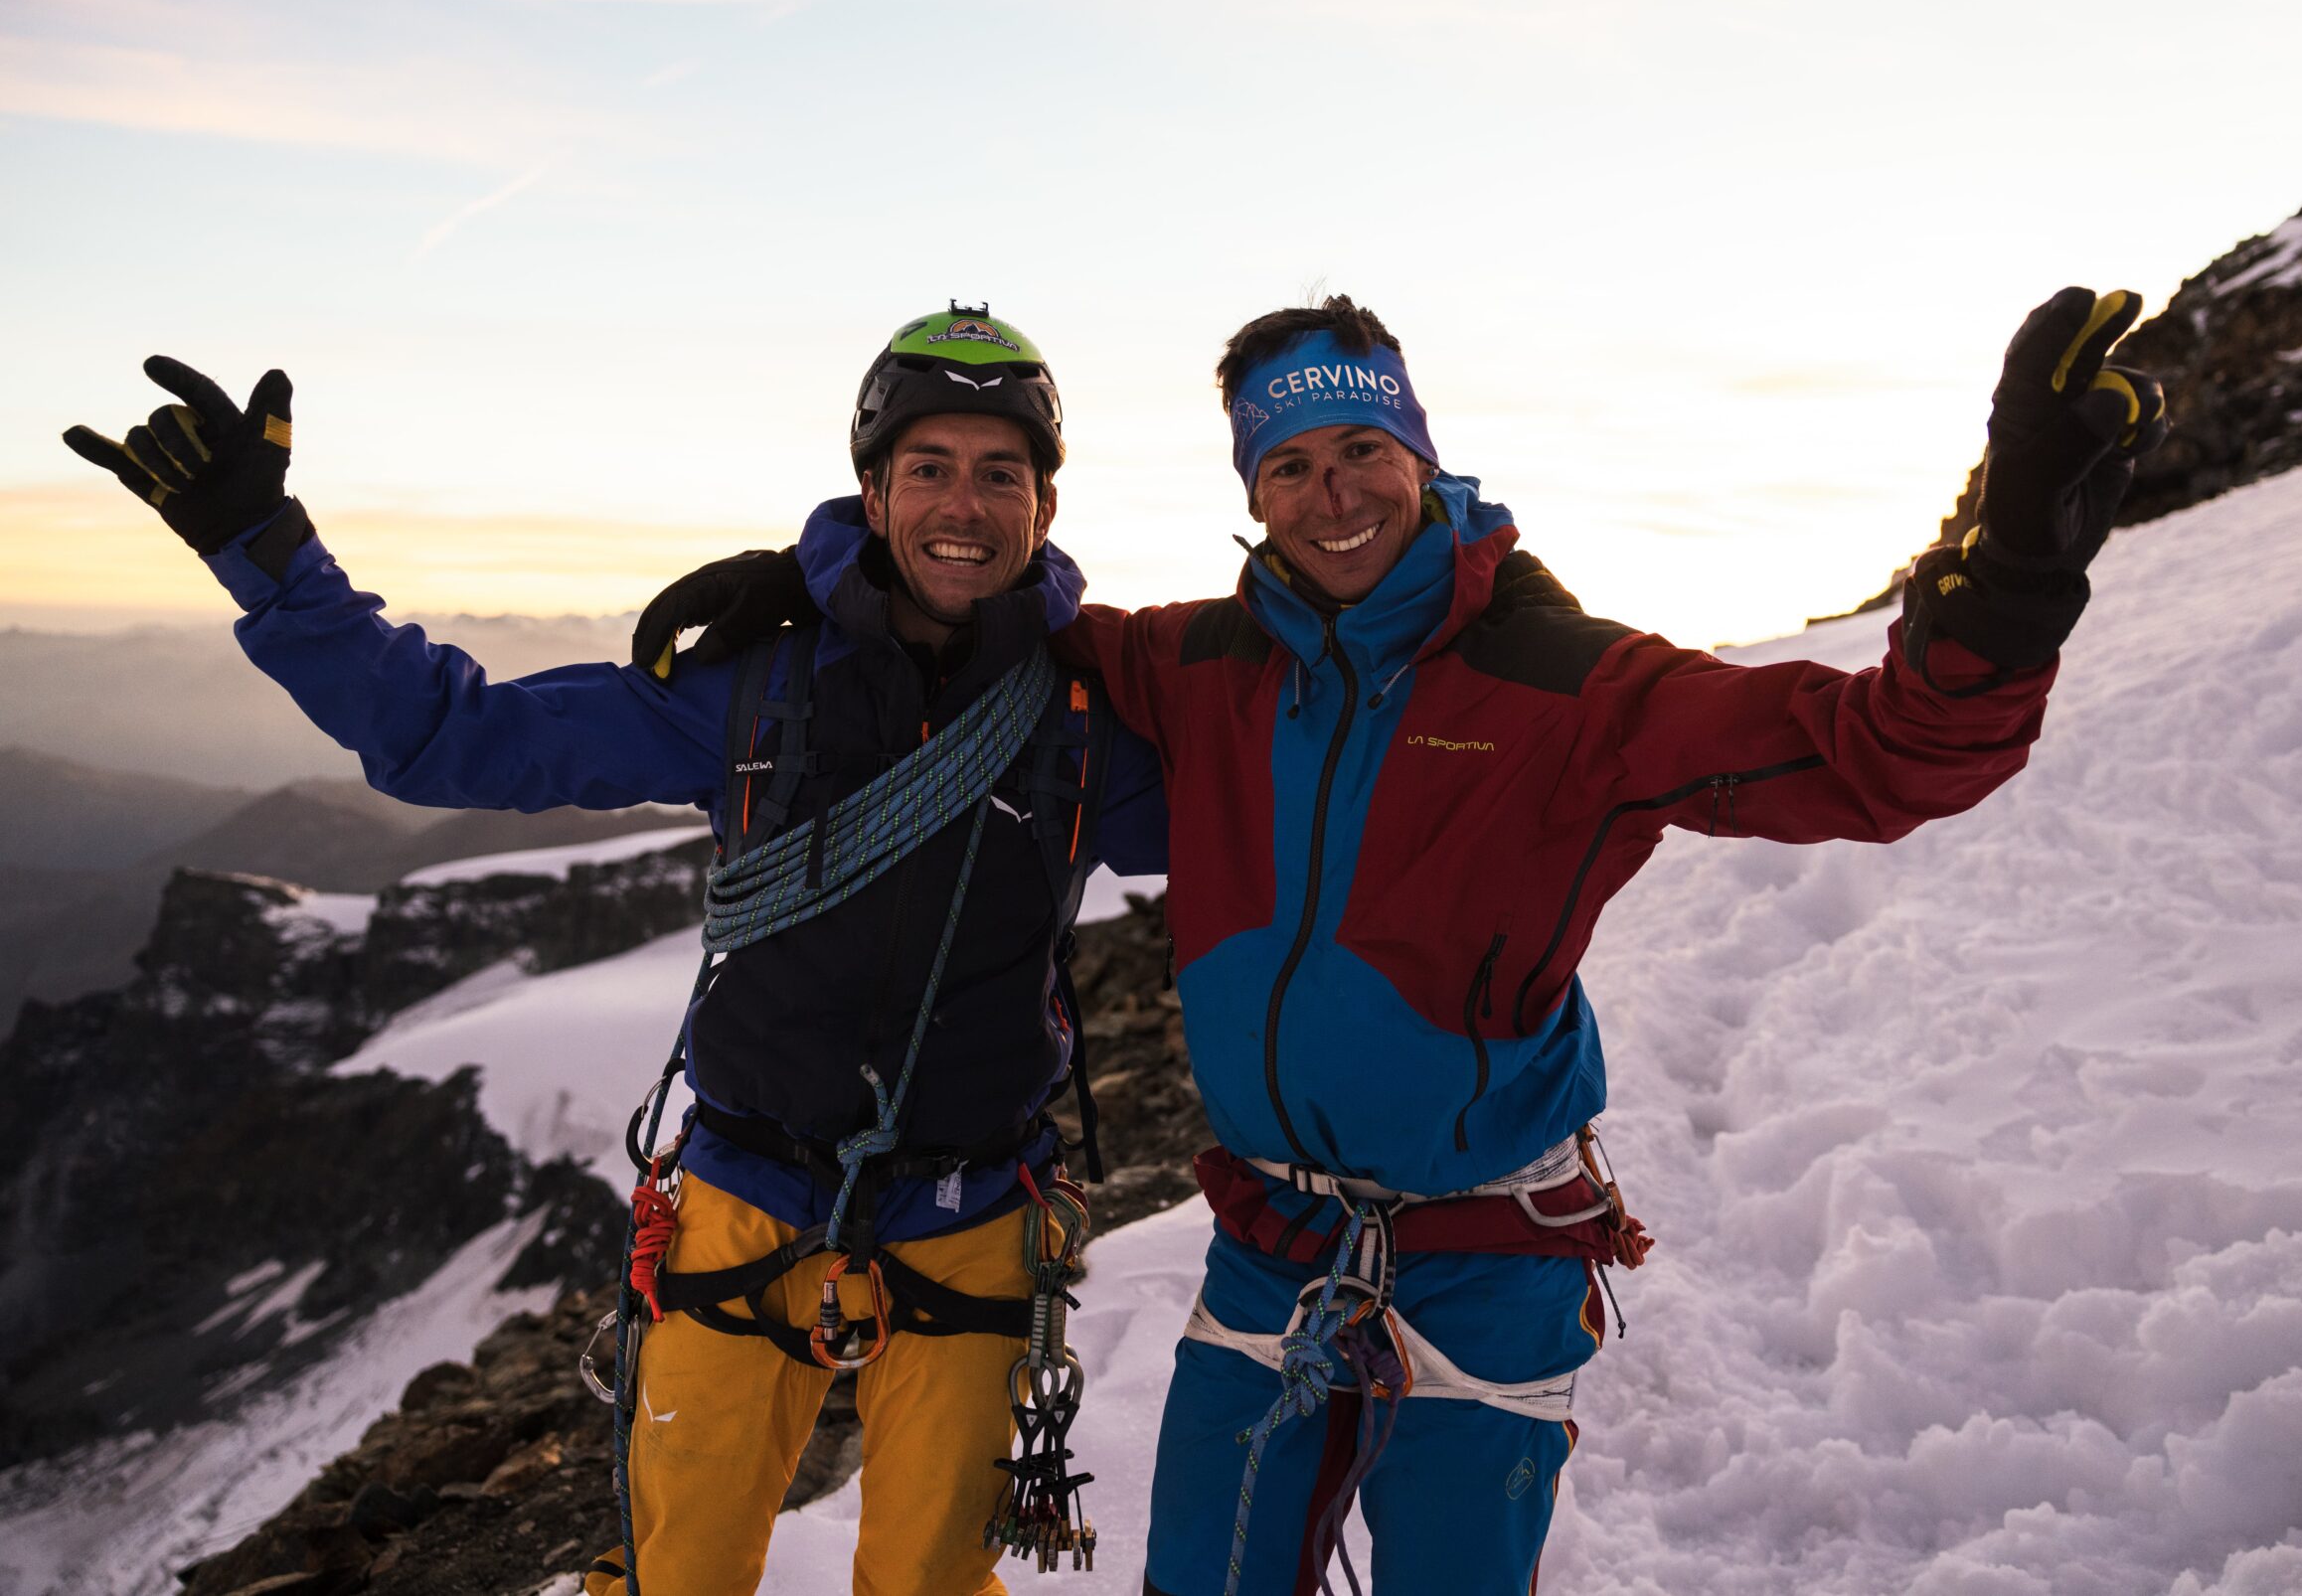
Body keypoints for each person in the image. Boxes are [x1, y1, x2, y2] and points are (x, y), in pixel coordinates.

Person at [638, 286, 2169, 1593]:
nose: (1334, 493)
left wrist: (2016, 570)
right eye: (1289, 463)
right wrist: (818, 589)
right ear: (1252, 491)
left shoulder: (1571, 686)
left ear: (1420, 454)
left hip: (1488, 1261)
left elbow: (1884, 755)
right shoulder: (1197, 663)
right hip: (1270, 1252)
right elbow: (975, 618)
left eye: (1362, 449)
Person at [62, 306, 1169, 1596]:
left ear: (1045, 502)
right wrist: (265, 552)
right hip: (749, 1203)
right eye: (929, 468)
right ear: (873, 492)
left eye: (1002, 473)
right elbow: (456, 737)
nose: (964, 504)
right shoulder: (757, 690)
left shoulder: (1091, 721)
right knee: (674, 1575)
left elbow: (1297, 804)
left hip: (976, 1216)